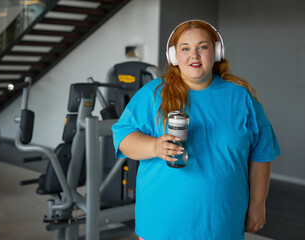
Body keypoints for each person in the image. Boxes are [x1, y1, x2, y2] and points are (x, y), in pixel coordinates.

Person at [112, 20, 280, 240]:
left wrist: (258, 204)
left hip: (222, 223)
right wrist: (154, 146)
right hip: (162, 224)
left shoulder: (241, 97)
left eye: (203, 47)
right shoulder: (152, 94)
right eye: (185, 48)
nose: (194, 55)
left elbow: (262, 154)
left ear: (216, 52)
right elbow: (123, 137)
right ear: (174, 56)